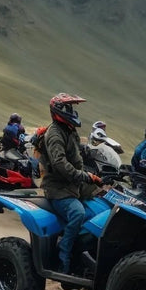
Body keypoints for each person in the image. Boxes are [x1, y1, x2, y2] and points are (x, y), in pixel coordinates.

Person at [39, 93, 103, 274]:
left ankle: (87, 252)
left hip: (72, 187)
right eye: (68, 108)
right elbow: (60, 164)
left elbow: (76, 156)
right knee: (78, 213)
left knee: (101, 205)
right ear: (58, 110)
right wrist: (84, 176)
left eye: (72, 108)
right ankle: (63, 255)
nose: (72, 111)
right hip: (58, 189)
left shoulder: (68, 130)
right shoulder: (55, 133)